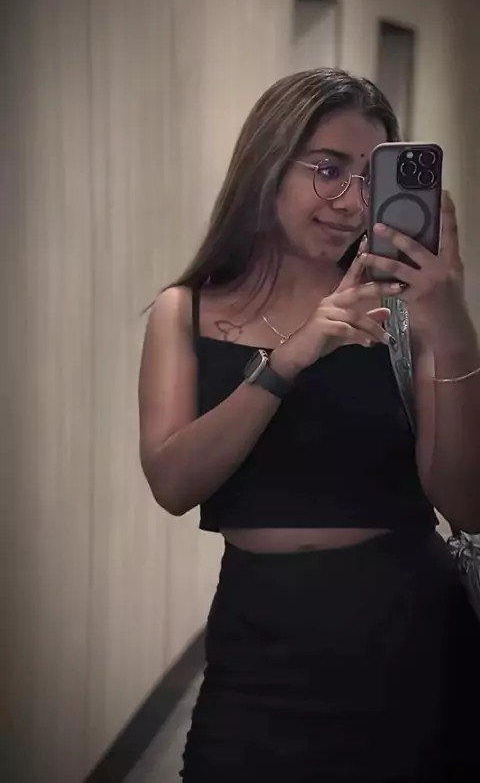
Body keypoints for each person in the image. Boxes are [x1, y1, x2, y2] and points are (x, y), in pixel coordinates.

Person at [139, 68, 480, 782]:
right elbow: (173, 483)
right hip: (258, 652)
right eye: (327, 170)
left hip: (411, 642)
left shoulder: (402, 311)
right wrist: (290, 357)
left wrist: (452, 329)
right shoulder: (186, 311)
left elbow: (466, 504)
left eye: (369, 180)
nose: (351, 202)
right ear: (267, 165)